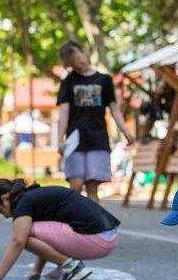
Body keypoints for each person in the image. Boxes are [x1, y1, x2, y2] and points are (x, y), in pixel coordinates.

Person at [0, 179, 120, 280]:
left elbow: (18, 242)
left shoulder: (24, 203)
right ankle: (66, 267)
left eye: (1, 210)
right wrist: (37, 271)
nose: (6, 216)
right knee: (27, 232)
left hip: (97, 239)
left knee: (23, 235)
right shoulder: (34, 196)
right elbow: (46, 237)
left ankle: (72, 267)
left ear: (5, 198)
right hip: (107, 236)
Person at [57, 41, 134, 202]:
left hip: (97, 138)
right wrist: (59, 139)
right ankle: (75, 225)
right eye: (73, 64)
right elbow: (63, 112)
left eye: (79, 59)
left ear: (84, 53)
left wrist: (125, 130)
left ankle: (94, 226)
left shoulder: (104, 80)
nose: (79, 65)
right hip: (75, 140)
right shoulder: (68, 82)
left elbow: (114, 108)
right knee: (76, 186)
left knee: (92, 186)